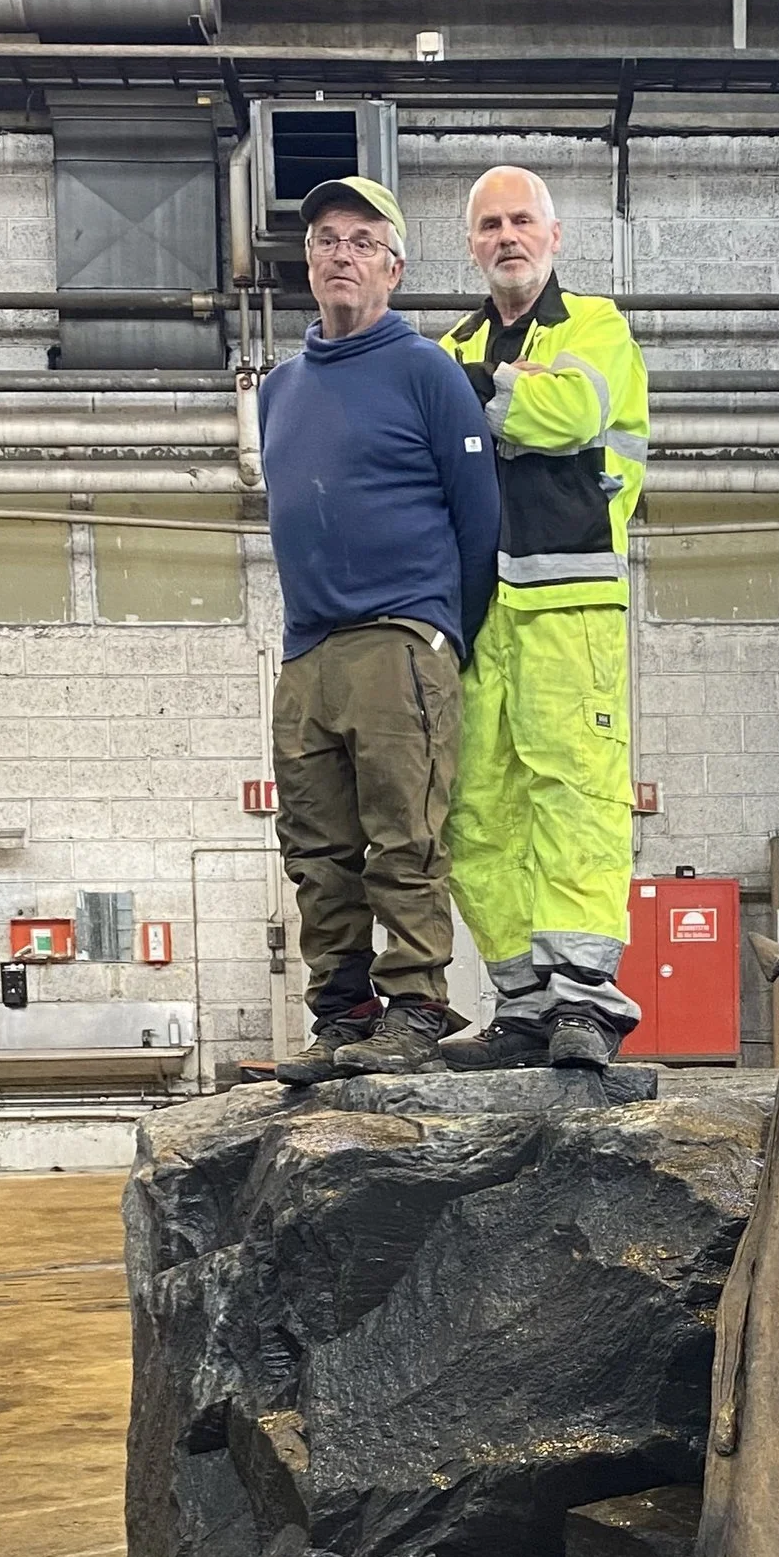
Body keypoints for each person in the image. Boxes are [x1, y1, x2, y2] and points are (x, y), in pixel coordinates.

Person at [258, 174, 501, 1079]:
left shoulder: (427, 371)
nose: (340, 254)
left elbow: (478, 523)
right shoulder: (279, 389)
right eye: (325, 238)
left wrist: (443, 635)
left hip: (401, 636)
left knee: (406, 838)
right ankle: (343, 1015)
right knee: (317, 849)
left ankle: (415, 1007)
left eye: (362, 240)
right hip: (307, 648)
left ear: (393, 267)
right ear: (309, 263)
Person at [437, 166, 651, 1071]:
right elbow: (441, 440)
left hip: (569, 601)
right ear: (473, 244)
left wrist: (487, 398)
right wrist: (506, 385)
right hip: (481, 607)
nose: (507, 236)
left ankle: (585, 1003)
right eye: (490, 224)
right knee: (477, 809)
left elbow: (569, 410)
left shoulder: (595, 326)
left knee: (576, 795)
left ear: (554, 237)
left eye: (522, 220)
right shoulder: (447, 345)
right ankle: (523, 1003)